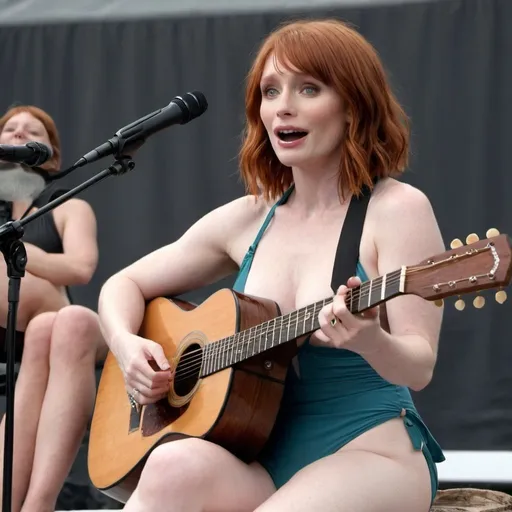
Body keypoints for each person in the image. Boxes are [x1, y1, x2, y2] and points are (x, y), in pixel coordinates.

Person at [98, 18, 446, 512]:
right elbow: (122, 283)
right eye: (270, 91)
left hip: (368, 449)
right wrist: (128, 346)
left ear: (352, 106)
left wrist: (371, 339)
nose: (283, 105)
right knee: (169, 467)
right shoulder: (250, 217)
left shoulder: (397, 209)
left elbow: (420, 364)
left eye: (309, 88)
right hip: (259, 454)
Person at [0, 105, 106, 512]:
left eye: (32, 131)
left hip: (54, 320)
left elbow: (81, 267)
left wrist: (13, 250)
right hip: (34, 333)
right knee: (45, 328)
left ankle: (36, 505)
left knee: (53, 324)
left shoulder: (66, 205)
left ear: (52, 155)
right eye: (9, 130)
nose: (19, 135)